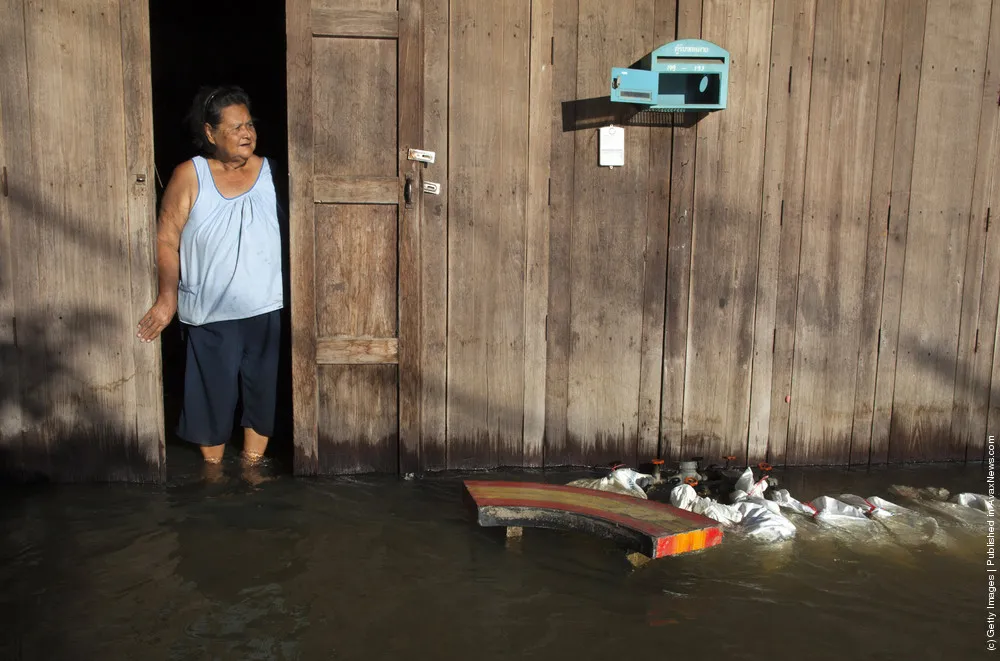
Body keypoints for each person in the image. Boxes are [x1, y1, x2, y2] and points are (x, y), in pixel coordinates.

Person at [136, 85, 284, 469]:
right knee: (211, 400)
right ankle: (213, 479)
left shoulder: (272, 172)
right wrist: (167, 298)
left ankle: (252, 470)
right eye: (235, 127)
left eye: (249, 125)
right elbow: (166, 239)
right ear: (210, 132)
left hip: (265, 308)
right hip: (210, 313)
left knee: (261, 397)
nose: (246, 133)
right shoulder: (190, 175)